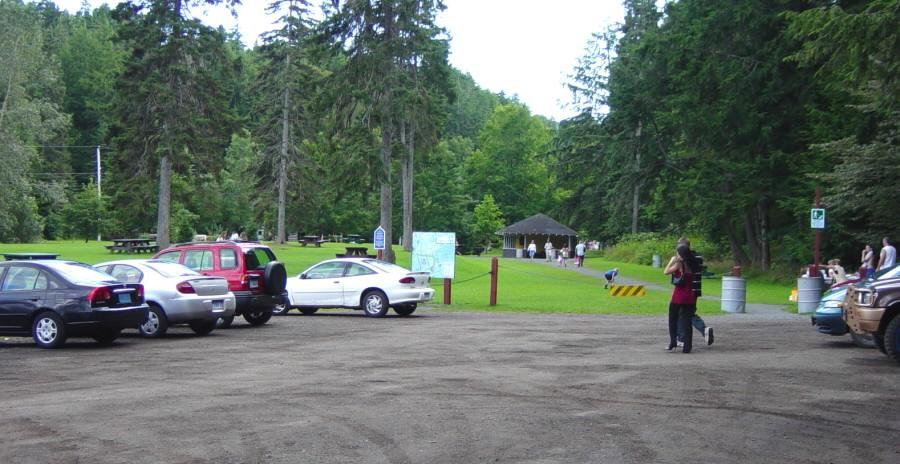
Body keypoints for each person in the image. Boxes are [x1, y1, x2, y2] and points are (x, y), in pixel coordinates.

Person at [676, 237, 714, 346]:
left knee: (683, 313)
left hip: (687, 289)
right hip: (696, 289)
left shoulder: (685, 258)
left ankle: (682, 338)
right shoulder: (698, 257)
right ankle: (702, 331)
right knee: (688, 313)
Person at [665, 244, 700, 353]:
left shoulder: (679, 264)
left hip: (678, 296)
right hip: (690, 295)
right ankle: (687, 346)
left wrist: (672, 261)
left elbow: (665, 272)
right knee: (687, 322)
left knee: (673, 320)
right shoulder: (693, 264)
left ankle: (673, 342)